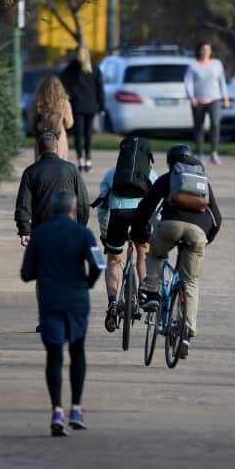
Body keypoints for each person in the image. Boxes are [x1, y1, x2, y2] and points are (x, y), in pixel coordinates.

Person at [20, 189, 102, 437]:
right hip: (77, 300)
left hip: (50, 301)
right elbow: (99, 264)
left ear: (53, 209)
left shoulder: (40, 235)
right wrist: (88, 282)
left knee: (54, 356)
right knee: (78, 351)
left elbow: (26, 273)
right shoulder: (84, 233)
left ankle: (57, 410)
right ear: (73, 210)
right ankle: (76, 408)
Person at [132, 145, 223, 360]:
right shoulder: (203, 182)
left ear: (171, 162)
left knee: (155, 255)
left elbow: (146, 207)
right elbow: (217, 218)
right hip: (198, 233)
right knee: (190, 281)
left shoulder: (169, 178)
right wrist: (205, 240)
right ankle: (185, 335)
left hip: (170, 226)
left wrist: (138, 232)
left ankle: (152, 292)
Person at [94, 137, 158, 332]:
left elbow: (101, 207)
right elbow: (158, 206)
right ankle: (143, 293)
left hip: (118, 215)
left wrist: (105, 233)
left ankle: (113, 303)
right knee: (142, 252)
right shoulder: (151, 174)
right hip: (141, 218)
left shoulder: (112, 174)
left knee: (113, 259)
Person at [15, 129, 90, 247]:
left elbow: (23, 205)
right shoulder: (71, 169)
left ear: (39, 150)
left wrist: (24, 230)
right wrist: (80, 226)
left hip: (41, 230)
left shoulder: (30, 172)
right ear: (56, 148)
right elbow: (83, 203)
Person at [184, 41, 230, 166]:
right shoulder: (193, 66)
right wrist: (191, 97)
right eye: (203, 49)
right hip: (198, 100)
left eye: (208, 49)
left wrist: (225, 98)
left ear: (211, 51)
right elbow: (188, 82)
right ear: (199, 51)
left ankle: (214, 153)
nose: (205, 52)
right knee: (199, 127)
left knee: (215, 124)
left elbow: (222, 81)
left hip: (214, 99)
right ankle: (199, 153)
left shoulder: (216, 64)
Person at [59, 46, 105, 172]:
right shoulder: (94, 68)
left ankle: (80, 161)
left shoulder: (73, 67)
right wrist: (102, 106)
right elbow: (100, 89)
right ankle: (88, 160)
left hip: (77, 104)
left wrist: (68, 92)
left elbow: (62, 79)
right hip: (91, 105)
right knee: (88, 134)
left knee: (78, 134)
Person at [28, 75, 73, 161]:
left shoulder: (37, 103)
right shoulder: (64, 103)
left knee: (41, 168)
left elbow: (30, 125)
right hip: (59, 140)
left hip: (41, 140)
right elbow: (69, 124)